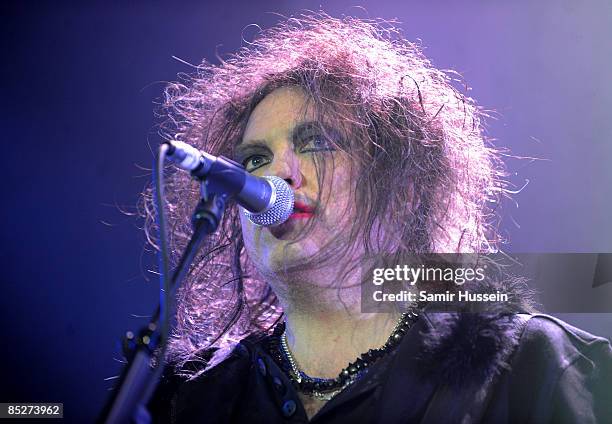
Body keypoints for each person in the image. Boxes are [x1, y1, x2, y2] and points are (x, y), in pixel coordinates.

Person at [146, 13, 612, 423]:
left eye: (317, 142)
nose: (276, 174)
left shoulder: (532, 366)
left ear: (406, 190)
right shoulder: (190, 395)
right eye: (254, 159)